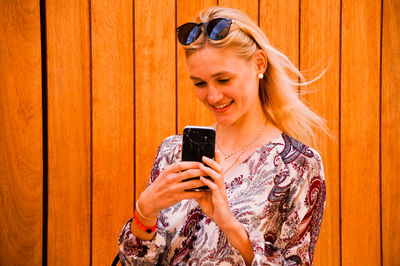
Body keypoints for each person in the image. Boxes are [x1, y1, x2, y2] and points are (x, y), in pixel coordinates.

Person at [117, 6, 326, 265]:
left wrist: (231, 227)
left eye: (224, 80)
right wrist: (144, 213)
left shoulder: (297, 164)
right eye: (200, 83)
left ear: (259, 64)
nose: (213, 97)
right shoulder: (173, 152)